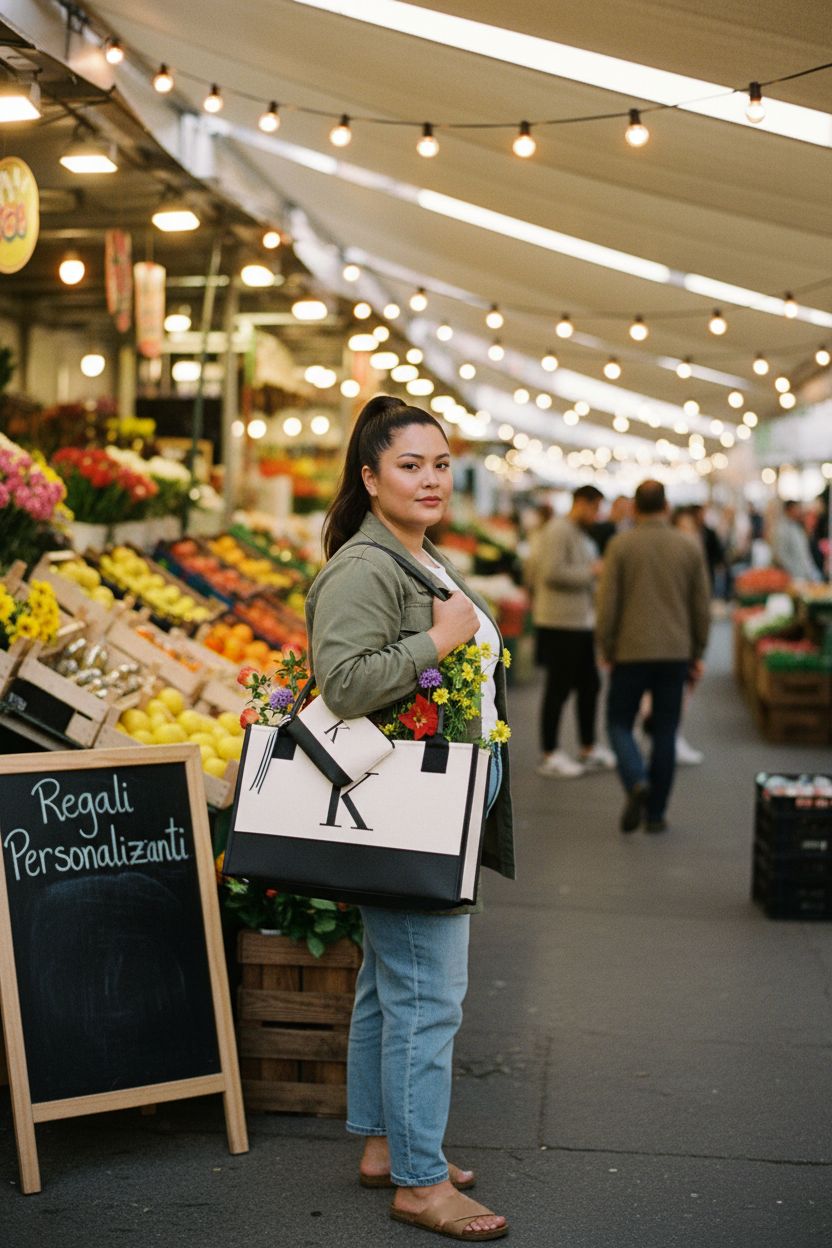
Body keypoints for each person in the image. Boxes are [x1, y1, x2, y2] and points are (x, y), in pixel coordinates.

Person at [304, 395, 513, 1241]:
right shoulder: (366, 567)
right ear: (369, 476)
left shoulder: (420, 555)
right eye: (408, 465)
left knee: (391, 989)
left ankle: (389, 1146)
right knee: (429, 997)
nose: (430, 479)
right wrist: (440, 640)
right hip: (409, 817)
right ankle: (422, 1185)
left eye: (439, 464)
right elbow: (343, 683)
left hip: (425, 813)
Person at [597, 480, 711, 834]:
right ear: (666, 507)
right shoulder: (688, 547)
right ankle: (657, 814)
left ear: (635, 508)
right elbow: (701, 605)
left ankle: (635, 779)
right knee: (665, 729)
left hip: (630, 651)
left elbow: (607, 603)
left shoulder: (620, 545)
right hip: (675, 652)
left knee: (618, 721)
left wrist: (606, 647)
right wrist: (698, 650)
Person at [527, 484, 615, 777]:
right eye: (595, 507)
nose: (597, 514)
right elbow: (550, 572)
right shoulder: (558, 530)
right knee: (558, 688)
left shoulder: (576, 532)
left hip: (579, 622)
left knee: (589, 685)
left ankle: (588, 747)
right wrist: (591, 572)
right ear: (581, 503)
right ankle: (549, 753)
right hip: (559, 623)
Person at [772, 500, 822, 582]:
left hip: (804, 576)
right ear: (789, 509)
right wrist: (794, 572)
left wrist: (812, 573)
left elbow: (804, 554)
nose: (799, 511)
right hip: (793, 577)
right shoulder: (781, 529)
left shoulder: (797, 528)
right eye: (797, 508)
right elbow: (781, 555)